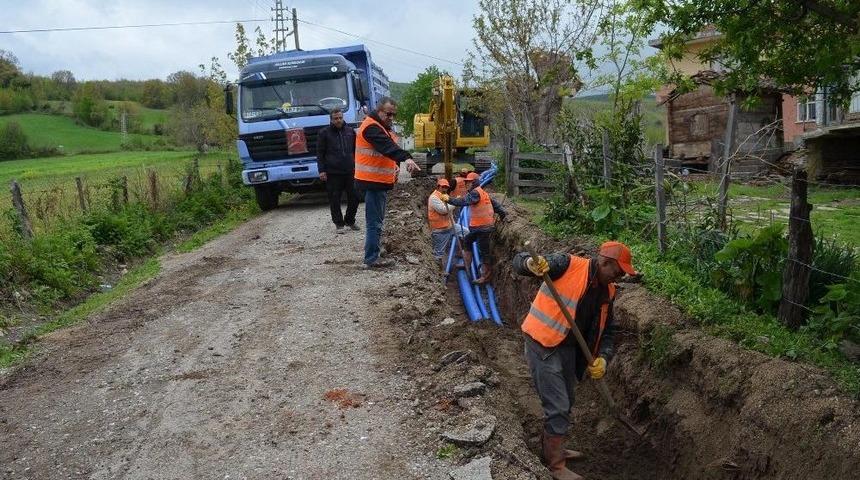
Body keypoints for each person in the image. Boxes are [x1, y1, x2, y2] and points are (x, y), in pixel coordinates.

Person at [513, 241, 636, 480]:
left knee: (566, 401)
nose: (619, 276)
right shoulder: (566, 264)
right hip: (543, 343)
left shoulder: (607, 291)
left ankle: (553, 447)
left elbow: (608, 330)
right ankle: (555, 465)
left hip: (569, 349)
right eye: (618, 271)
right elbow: (519, 261)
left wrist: (603, 358)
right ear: (604, 262)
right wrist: (530, 263)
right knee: (557, 406)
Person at [354, 97, 421, 268]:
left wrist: (395, 166)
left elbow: (386, 151)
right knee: (374, 222)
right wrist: (406, 158)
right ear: (379, 111)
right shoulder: (371, 128)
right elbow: (387, 147)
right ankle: (371, 258)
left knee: (377, 221)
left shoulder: (381, 127)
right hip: (372, 182)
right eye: (388, 114)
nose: (391, 117)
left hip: (377, 182)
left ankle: (374, 252)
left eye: (394, 115)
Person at [442, 172, 506, 283]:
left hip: (484, 228)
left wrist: (449, 199)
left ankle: (486, 276)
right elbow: (494, 205)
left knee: (484, 251)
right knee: (467, 240)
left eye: (469, 182)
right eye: (466, 182)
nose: (466, 184)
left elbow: (464, 201)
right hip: (479, 227)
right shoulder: (482, 192)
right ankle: (466, 265)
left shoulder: (475, 193)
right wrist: (502, 213)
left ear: (475, 182)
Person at [317, 108, 359, 233]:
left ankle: (350, 220)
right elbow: (320, 153)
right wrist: (322, 170)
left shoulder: (350, 131)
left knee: (355, 197)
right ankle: (339, 224)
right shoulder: (324, 133)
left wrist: (358, 166)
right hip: (333, 172)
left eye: (340, 117)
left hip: (350, 170)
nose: (338, 120)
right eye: (336, 118)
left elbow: (356, 151)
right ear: (331, 119)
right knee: (334, 199)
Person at [427, 178, 455, 266]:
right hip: (439, 230)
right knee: (438, 254)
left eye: (446, 187)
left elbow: (450, 213)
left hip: (450, 227)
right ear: (438, 186)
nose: (445, 189)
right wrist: (455, 203)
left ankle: (458, 255)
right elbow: (443, 210)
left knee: (466, 233)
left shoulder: (444, 195)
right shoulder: (434, 197)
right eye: (443, 187)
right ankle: (440, 271)